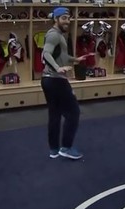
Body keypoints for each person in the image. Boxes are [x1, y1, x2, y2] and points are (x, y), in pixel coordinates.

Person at [41, 7, 87, 160]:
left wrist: (75, 60)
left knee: (54, 114)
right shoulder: (54, 35)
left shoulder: (58, 35)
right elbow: (46, 53)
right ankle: (66, 148)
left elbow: (61, 55)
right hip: (56, 80)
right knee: (73, 113)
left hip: (48, 80)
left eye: (69, 18)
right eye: (64, 18)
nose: (68, 21)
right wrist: (58, 68)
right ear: (56, 19)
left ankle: (53, 150)